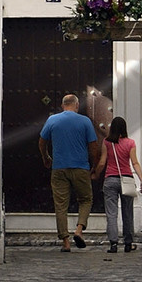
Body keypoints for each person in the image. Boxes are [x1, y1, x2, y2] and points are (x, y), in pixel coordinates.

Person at [39, 92, 98, 250]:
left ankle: (65, 242)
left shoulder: (52, 120)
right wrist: (94, 165)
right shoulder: (85, 121)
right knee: (85, 200)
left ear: (62, 105)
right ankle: (79, 230)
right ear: (77, 105)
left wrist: (46, 157)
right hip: (80, 167)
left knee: (60, 205)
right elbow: (93, 146)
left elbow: (42, 141)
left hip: (59, 168)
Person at [95, 115, 140, 256]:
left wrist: (96, 174)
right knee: (128, 213)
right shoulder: (130, 143)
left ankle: (113, 244)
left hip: (110, 180)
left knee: (111, 214)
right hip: (126, 179)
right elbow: (135, 163)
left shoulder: (107, 142)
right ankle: (128, 243)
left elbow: (102, 162)